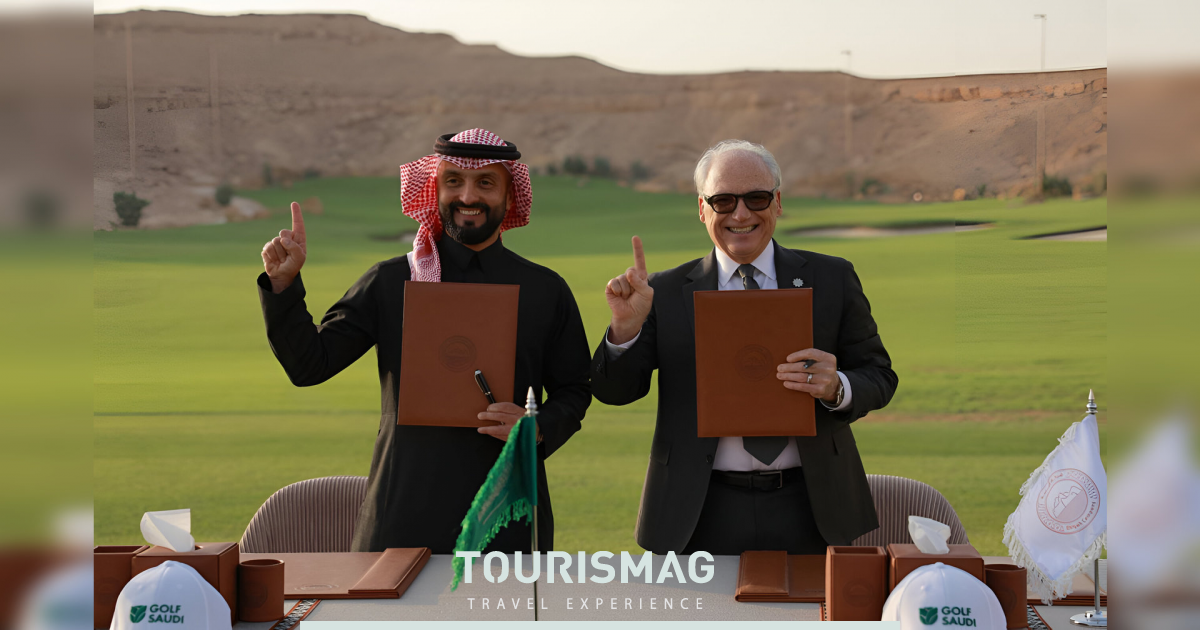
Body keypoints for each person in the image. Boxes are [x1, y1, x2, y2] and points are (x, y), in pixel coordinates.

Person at [257, 128, 591, 553]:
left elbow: (574, 390)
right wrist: (284, 287)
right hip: (401, 517)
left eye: (485, 183)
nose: (467, 195)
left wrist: (538, 427)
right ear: (435, 190)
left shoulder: (545, 290)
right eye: (453, 181)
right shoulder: (391, 281)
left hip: (508, 518)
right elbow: (309, 366)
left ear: (509, 197)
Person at [591, 139, 897, 555]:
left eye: (756, 198)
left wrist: (837, 386)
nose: (740, 214)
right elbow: (615, 392)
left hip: (814, 505)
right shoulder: (663, 292)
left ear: (777, 203)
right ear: (702, 209)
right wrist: (625, 329)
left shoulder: (833, 278)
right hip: (695, 509)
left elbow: (879, 375)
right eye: (723, 201)